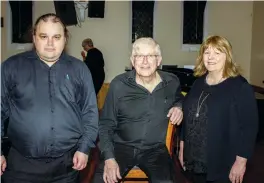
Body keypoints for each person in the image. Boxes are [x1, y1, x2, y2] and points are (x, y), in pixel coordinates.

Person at [1, 13, 99, 183]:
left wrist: (84, 148)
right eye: (44, 36)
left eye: (56, 37)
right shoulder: (11, 67)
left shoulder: (80, 70)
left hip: (67, 166)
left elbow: (90, 112)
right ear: (34, 38)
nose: (50, 43)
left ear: (65, 39)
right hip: (21, 165)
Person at [92, 37, 184, 183]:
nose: (145, 61)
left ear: (159, 60)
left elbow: (180, 98)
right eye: (139, 56)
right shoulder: (119, 84)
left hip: (155, 150)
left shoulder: (172, 82)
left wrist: (179, 107)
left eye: (150, 56)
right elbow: (106, 124)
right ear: (132, 60)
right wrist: (109, 158)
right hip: (121, 147)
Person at [179, 35, 259, 183]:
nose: (211, 57)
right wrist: (182, 146)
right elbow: (188, 115)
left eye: (217, 53)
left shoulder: (240, 86)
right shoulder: (198, 83)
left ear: (227, 56)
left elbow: (249, 127)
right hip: (194, 159)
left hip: (222, 162)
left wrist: (241, 162)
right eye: (207, 52)